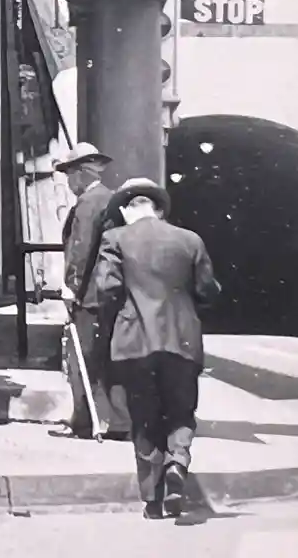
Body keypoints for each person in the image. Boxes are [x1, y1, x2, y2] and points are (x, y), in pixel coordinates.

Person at [95, 178, 220, 520]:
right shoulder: (190, 240)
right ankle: (178, 461)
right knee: (181, 410)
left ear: (125, 210)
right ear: (160, 210)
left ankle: (152, 500)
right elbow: (208, 290)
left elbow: (107, 288)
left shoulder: (114, 239)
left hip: (134, 343)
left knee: (144, 418)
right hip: (181, 341)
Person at [51, 142, 130, 441]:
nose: (68, 183)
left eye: (69, 175)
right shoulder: (108, 199)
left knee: (80, 357)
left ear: (81, 174)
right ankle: (117, 421)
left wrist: (71, 286)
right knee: (107, 357)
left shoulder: (88, 202)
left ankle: (84, 422)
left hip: (89, 294)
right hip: (107, 291)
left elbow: (81, 248)